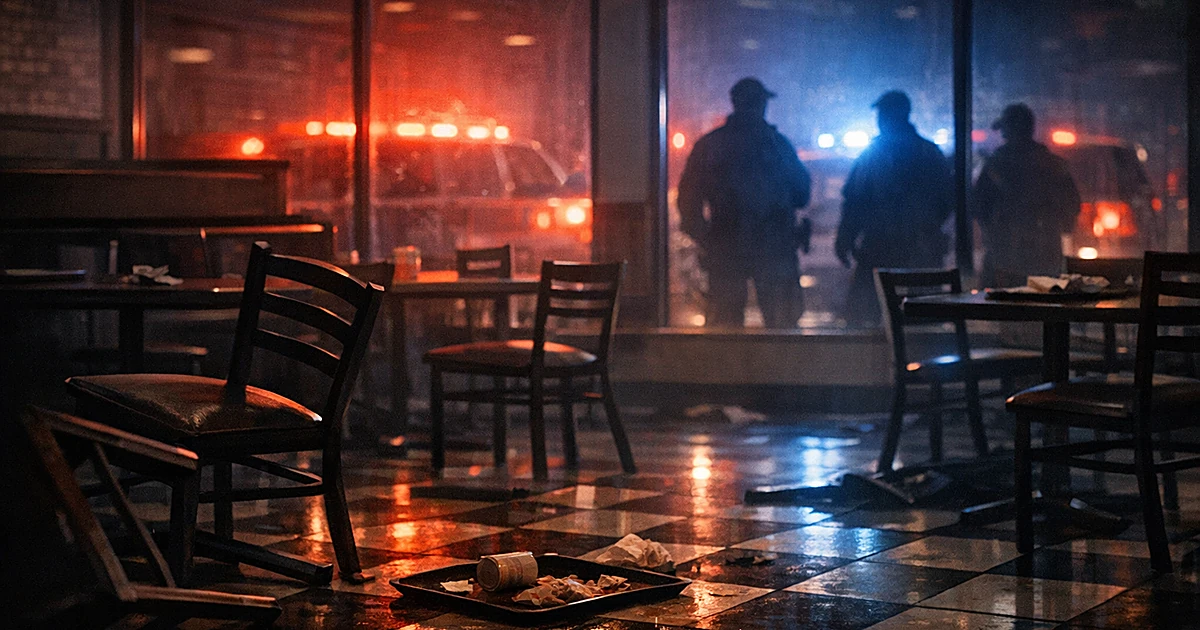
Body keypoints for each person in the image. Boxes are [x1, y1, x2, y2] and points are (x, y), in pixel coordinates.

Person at [677, 77, 812, 328]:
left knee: (725, 331)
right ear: (761, 104)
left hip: (726, 245)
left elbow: (688, 200)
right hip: (775, 246)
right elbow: (802, 193)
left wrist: (706, 237)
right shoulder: (777, 146)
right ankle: (777, 369)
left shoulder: (710, 146)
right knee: (782, 329)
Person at [835, 91, 952, 326]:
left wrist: (845, 238)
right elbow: (947, 199)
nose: (879, 119)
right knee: (922, 323)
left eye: (882, 113)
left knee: (863, 319)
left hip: (880, 245)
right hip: (920, 248)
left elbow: (855, 201)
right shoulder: (928, 152)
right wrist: (926, 227)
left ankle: (871, 363)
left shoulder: (873, 156)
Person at [974, 103, 1080, 286]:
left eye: (1004, 130)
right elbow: (1072, 205)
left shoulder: (996, 165)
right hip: (1045, 252)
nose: (1002, 135)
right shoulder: (1054, 165)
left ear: (1008, 130)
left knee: (1003, 309)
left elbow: (978, 205)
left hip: (1004, 254)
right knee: (1043, 307)